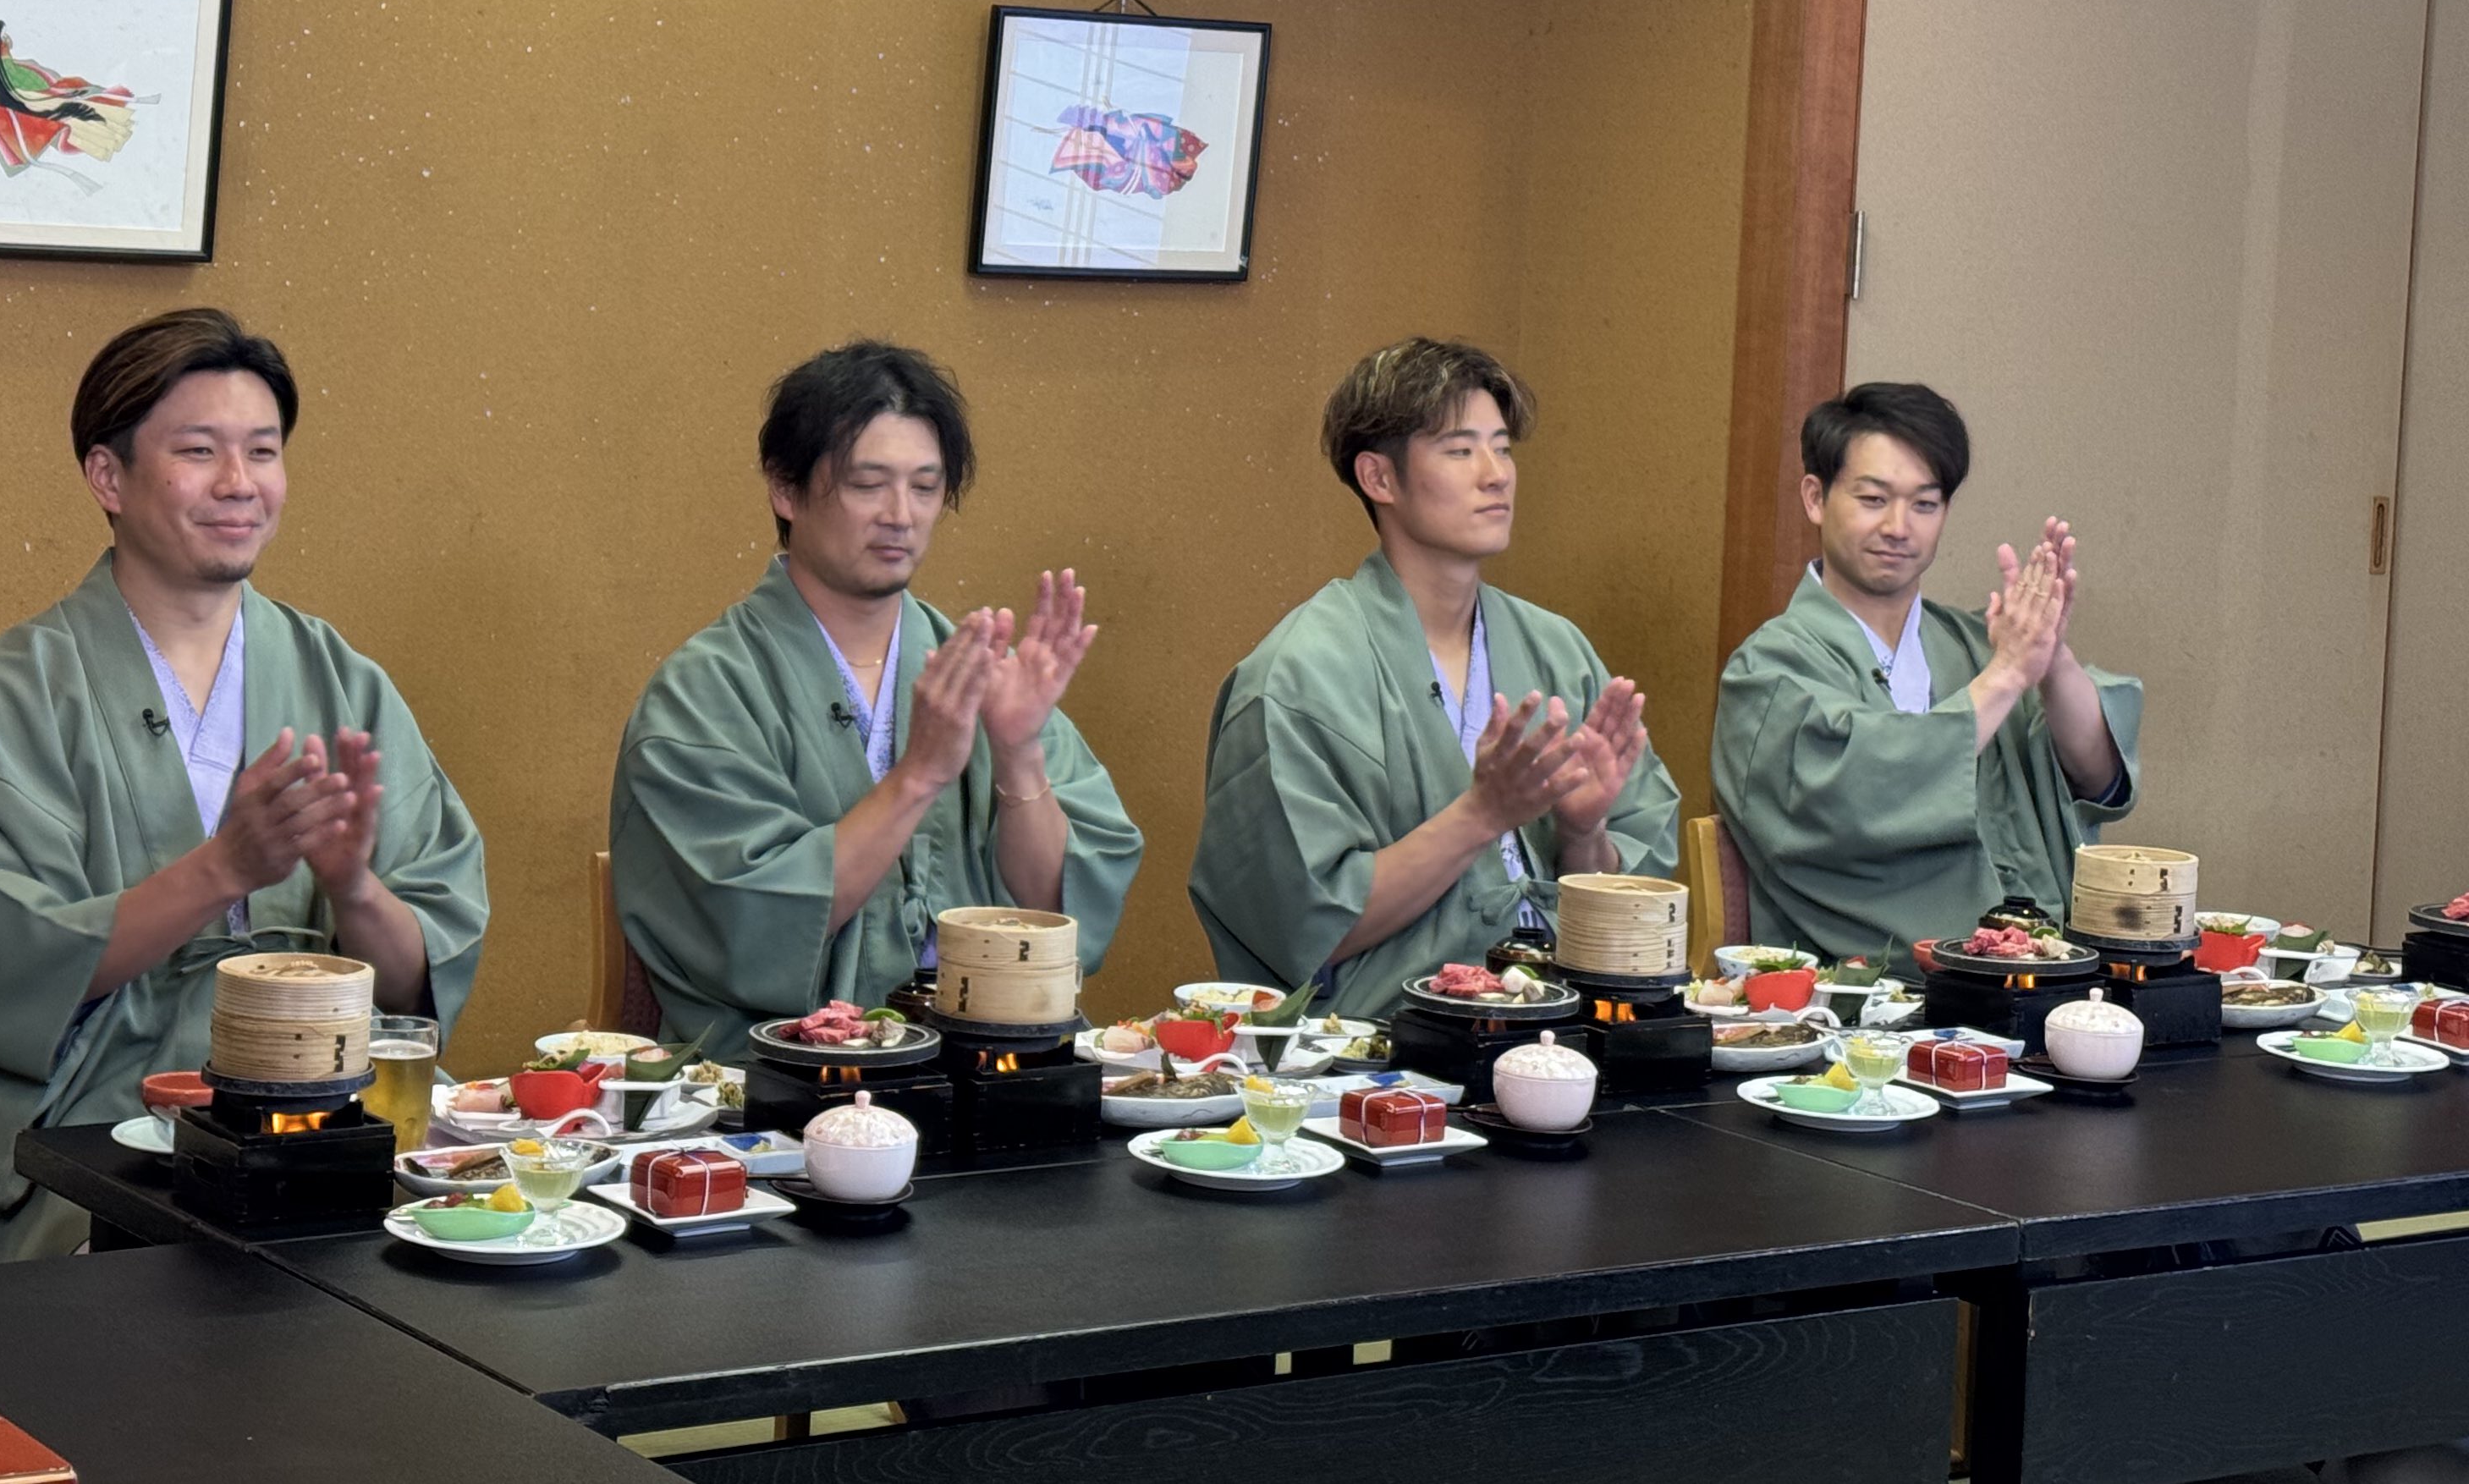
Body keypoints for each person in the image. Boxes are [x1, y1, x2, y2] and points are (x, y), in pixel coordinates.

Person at [0, 309, 490, 1262]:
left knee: (471, 1266)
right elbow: (0, 971)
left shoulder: (342, 682)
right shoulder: (15, 696)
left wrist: (353, 888)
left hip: (329, 1123)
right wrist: (223, 869)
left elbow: (410, 998)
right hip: (111, 1133)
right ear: (109, 476)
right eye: (198, 451)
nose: (238, 483)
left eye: (262, 451)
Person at [612, 341, 1143, 1058]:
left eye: (925, 487)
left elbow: (1058, 916)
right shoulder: (703, 695)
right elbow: (742, 926)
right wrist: (918, 775)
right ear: (785, 489)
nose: (901, 515)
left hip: (992, 1066)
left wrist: (1018, 753)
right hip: (784, 1078)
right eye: (868, 484)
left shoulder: (978, 671)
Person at [1188, 338, 1682, 1020]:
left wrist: (1583, 833)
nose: (1496, 475)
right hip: (1386, 1041)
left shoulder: (1556, 649)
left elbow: (1634, 921)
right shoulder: (1298, 676)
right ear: (1379, 478)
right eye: (1460, 450)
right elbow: (1304, 924)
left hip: (1573, 1026)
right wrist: (1482, 815)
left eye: (1502, 448)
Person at [1713, 382, 2141, 964]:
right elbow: (1854, 801)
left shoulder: (1973, 645)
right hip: (1874, 988)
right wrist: (2006, 675)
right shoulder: (1769, 670)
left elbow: (2096, 776)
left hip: (2041, 972)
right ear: (1815, 498)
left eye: (1924, 504)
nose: (1898, 526)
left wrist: (2049, 657)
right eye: (1873, 499)